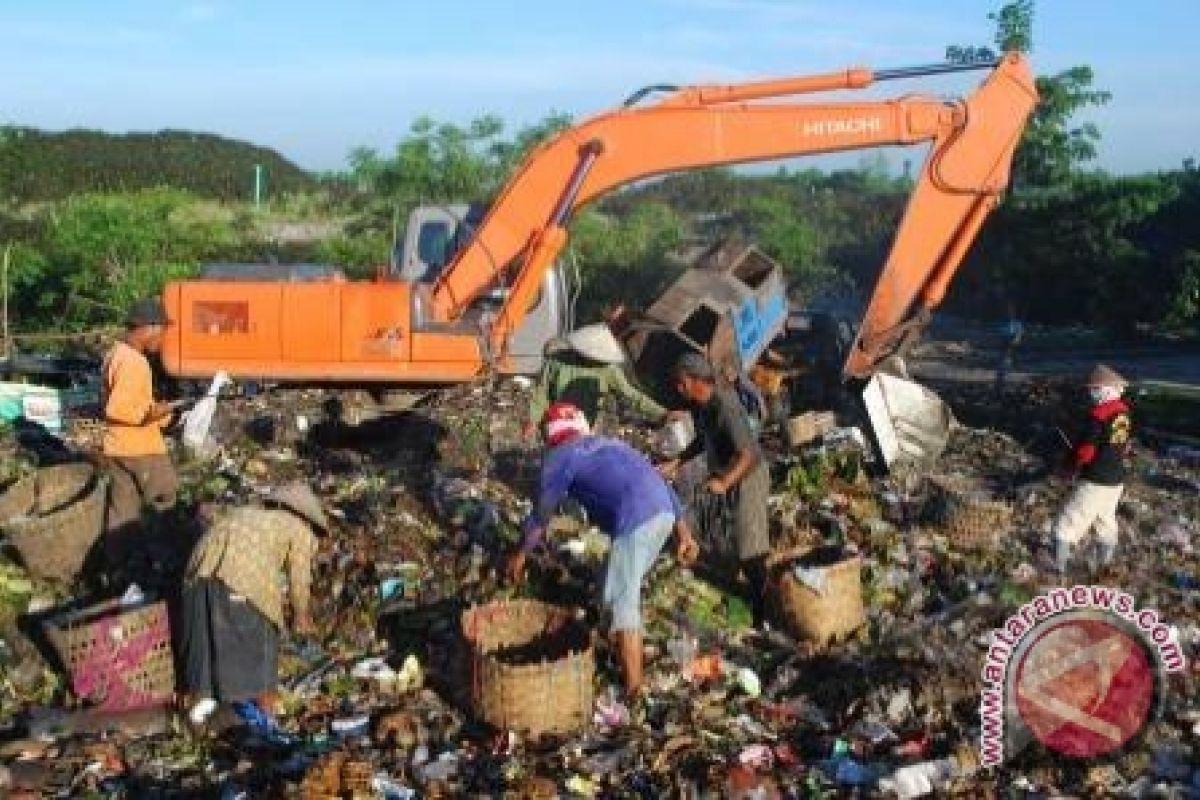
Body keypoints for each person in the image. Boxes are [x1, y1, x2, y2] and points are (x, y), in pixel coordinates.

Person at [506, 402, 699, 699]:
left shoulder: (560, 456)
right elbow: (661, 482)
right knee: (607, 589)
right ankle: (610, 650)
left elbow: (541, 515)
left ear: (550, 434)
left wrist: (519, 555)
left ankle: (634, 689)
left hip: (636, 519)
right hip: (663, 513)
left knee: (623, 600)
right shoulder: (609, 443)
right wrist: (684, 535)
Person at [179, 483, 326, 726]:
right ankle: (265, 716)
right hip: (241, 577)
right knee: (262, 641)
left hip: (196, 575)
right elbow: (300, 577)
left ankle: (196, 713)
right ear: (305, 516)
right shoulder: (299, 529)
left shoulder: (245, 513)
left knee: (205, 646)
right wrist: (301, 615)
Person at [661, 353, 772, 628]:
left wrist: (724, 482)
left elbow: (748, 454)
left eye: (682, 383)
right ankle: (744, 601)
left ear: (698, 380)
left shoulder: (725, 406)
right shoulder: (701, 406)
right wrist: (678, 461)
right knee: (729, 542)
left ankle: (765, 610)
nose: (679, 389)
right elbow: (703, 438)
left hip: (747, 477)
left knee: (751, 548)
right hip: (727, 474)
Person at [101, 297, 185, 575]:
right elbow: (119, 407)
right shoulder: (134, 362)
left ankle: (121, 571)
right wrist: (150, 414)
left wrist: (161, 413)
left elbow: (123, 404)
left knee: (122, 511)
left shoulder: (115, 354)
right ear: (147, 327)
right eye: (161, 330)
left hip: (117, 448)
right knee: (166, 500)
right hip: (141, 450)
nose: (162, 337)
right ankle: (168, 565)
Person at [1052, 365, 1133, 572]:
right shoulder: (1123, 413)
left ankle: (1058, 571)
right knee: (1104, 521)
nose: (1091, 393)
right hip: (1116, 479)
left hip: (1096, 479)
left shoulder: (1099, 415)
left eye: (1094, 389)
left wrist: (1071, 467)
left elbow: (1087, 450)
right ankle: (1103, 568)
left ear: (1106, 389)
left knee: (1066, 523)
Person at [526, 323, 668, 436]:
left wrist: (662, 413)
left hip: (586, 426)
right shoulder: (558, 362)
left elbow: (630, 395)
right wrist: (533, 419)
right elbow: (542, 390)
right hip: (557, 421)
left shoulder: (608, 370)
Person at [994, 303, 1024, 394]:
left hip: (1012, 347)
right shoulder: (1003, 323)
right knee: (1002, 364)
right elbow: (999, 336)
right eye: (1008, 311)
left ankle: (1006, 383)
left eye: (1010, 311)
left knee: (1009, 364)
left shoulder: (1017, 324)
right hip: (1005, 346)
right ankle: (1000, 383)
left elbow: (1019, 336)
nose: (1009, 312)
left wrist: (1015, 340)